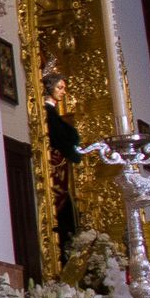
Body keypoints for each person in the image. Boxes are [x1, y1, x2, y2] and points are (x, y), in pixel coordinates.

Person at [42, 72, 82, 259]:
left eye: (64, 88)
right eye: (60, 87)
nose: (63, 92)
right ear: (49, 88)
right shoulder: (47, 113)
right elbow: (62, 137)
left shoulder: (54, 114)